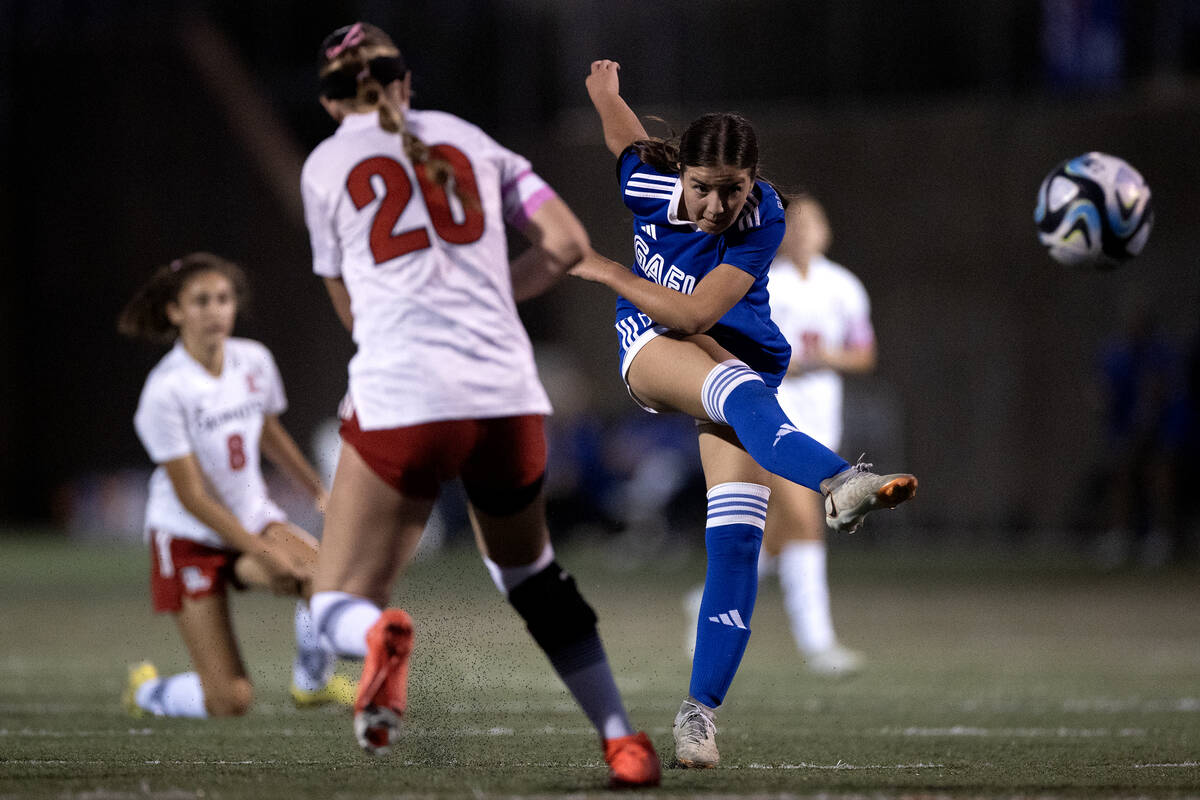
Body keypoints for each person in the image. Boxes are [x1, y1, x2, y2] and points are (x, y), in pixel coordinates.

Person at [298, 23, 658, 788]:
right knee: (532, 575)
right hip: (506, 396)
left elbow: (353, 311)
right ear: (405, 81)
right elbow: (565, 244)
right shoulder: (468, 138)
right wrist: (501, 288)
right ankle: (622, 738)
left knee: (334, 600)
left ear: (332, 101)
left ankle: (379, 636)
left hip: (405, 397)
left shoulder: (326, 166)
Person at [574, 60, 917, 768]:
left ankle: (697, 717)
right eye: (701, 188)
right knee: (734, 390)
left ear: (752, 180)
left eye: (730, 190)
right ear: (683, 175)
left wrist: (612, 270)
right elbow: (626, 142)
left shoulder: (765, 213)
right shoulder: (652, 185)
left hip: (727, 354)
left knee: (734, 544)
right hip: (654, 344)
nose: (713, 206)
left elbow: (700, 310)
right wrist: (606, 94)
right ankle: (839, 483)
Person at [118, 252, 353, 719]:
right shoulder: (165, 390)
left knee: (324, 578)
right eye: (201, 301)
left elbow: (269, 432)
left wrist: (318, 491)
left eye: (223, 299)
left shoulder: (253, 360)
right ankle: (145, 693)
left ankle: (312, 683)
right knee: (230, 700)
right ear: (175, 312)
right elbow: (192, 496)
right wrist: (263, 552)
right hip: (189, 536)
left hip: (250, 519)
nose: (215, 310)